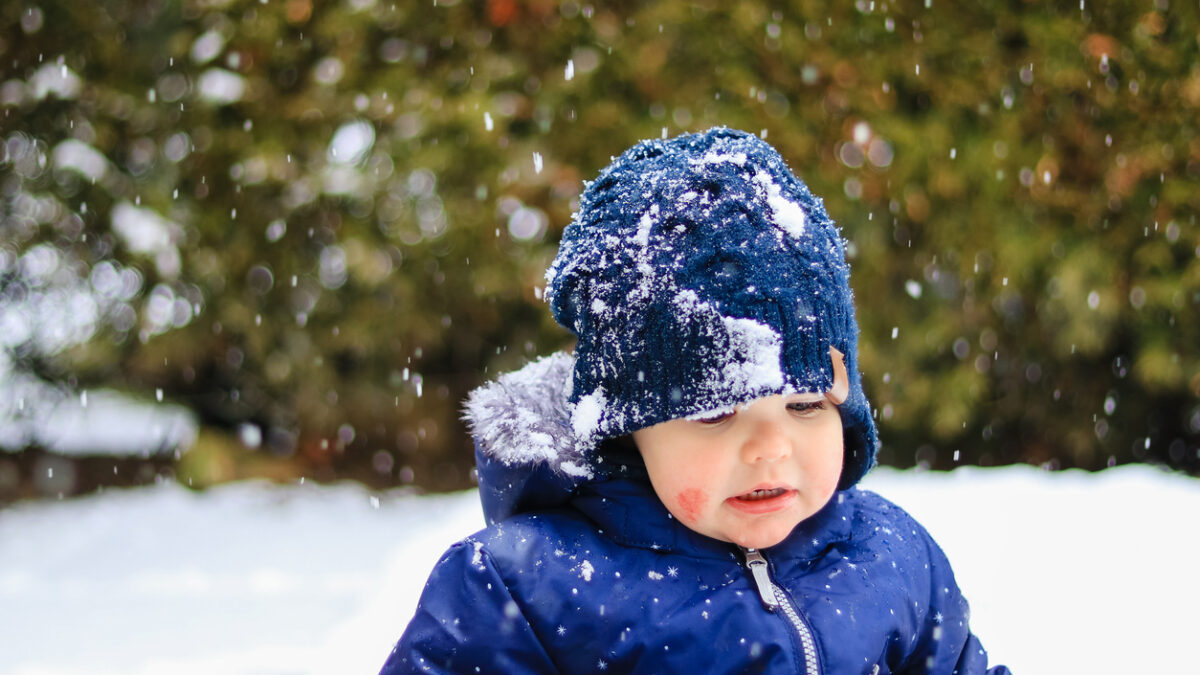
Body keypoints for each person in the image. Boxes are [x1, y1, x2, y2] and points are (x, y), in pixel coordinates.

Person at [379, 127, 1009, 674]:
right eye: (714, 413)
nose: (770, 446)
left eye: (806, 405)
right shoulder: (528, 592)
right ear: (630, 430)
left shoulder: (890, 557)